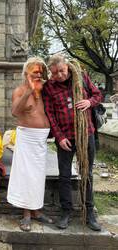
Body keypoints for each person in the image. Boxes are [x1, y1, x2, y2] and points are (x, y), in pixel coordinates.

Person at [43, 53, 102, 231]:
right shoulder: (49, 87)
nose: (59, 75)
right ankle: (66, 211)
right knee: (64, 176)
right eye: (55, 73)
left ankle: (89, 212)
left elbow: (98, 94)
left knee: (87, 173)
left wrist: (89, 102)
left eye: (61, 71)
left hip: (86, 134)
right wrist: (59, 137)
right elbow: (50, 114)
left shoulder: (81, 77)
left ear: (66, 66)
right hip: (65, 139)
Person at [7, 57, 53, 232]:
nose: (39, 74)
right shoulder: (19, 91)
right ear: (26, 73)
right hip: (26, 137)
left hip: (41, 138)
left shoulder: (45, 90)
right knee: (26, 176)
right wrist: (29, 91)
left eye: (41, 72)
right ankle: (26, 214)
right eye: (35, 71)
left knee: (38, 176)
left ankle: (36, 211)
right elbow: (14, 112)